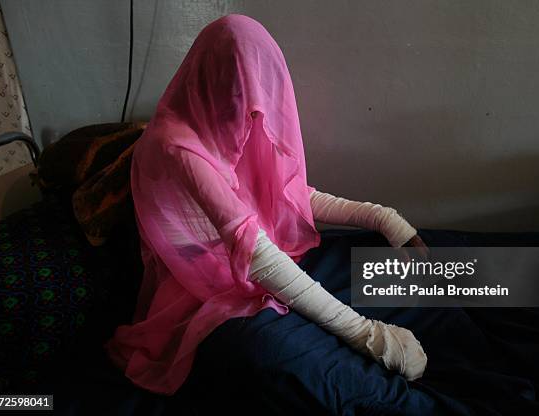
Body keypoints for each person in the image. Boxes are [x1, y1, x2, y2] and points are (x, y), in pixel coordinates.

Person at [104, 13, 428, 396]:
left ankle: (499, 290)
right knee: (315, 373)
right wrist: (365, 333)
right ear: (215, 76)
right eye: (240, 91)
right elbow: (253, 249)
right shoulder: (176, 143)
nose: (251, 109)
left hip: (265, 258)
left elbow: (288, 194)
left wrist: (385, 220)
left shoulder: (226, 116)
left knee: (442, 271)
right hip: (202, 291)